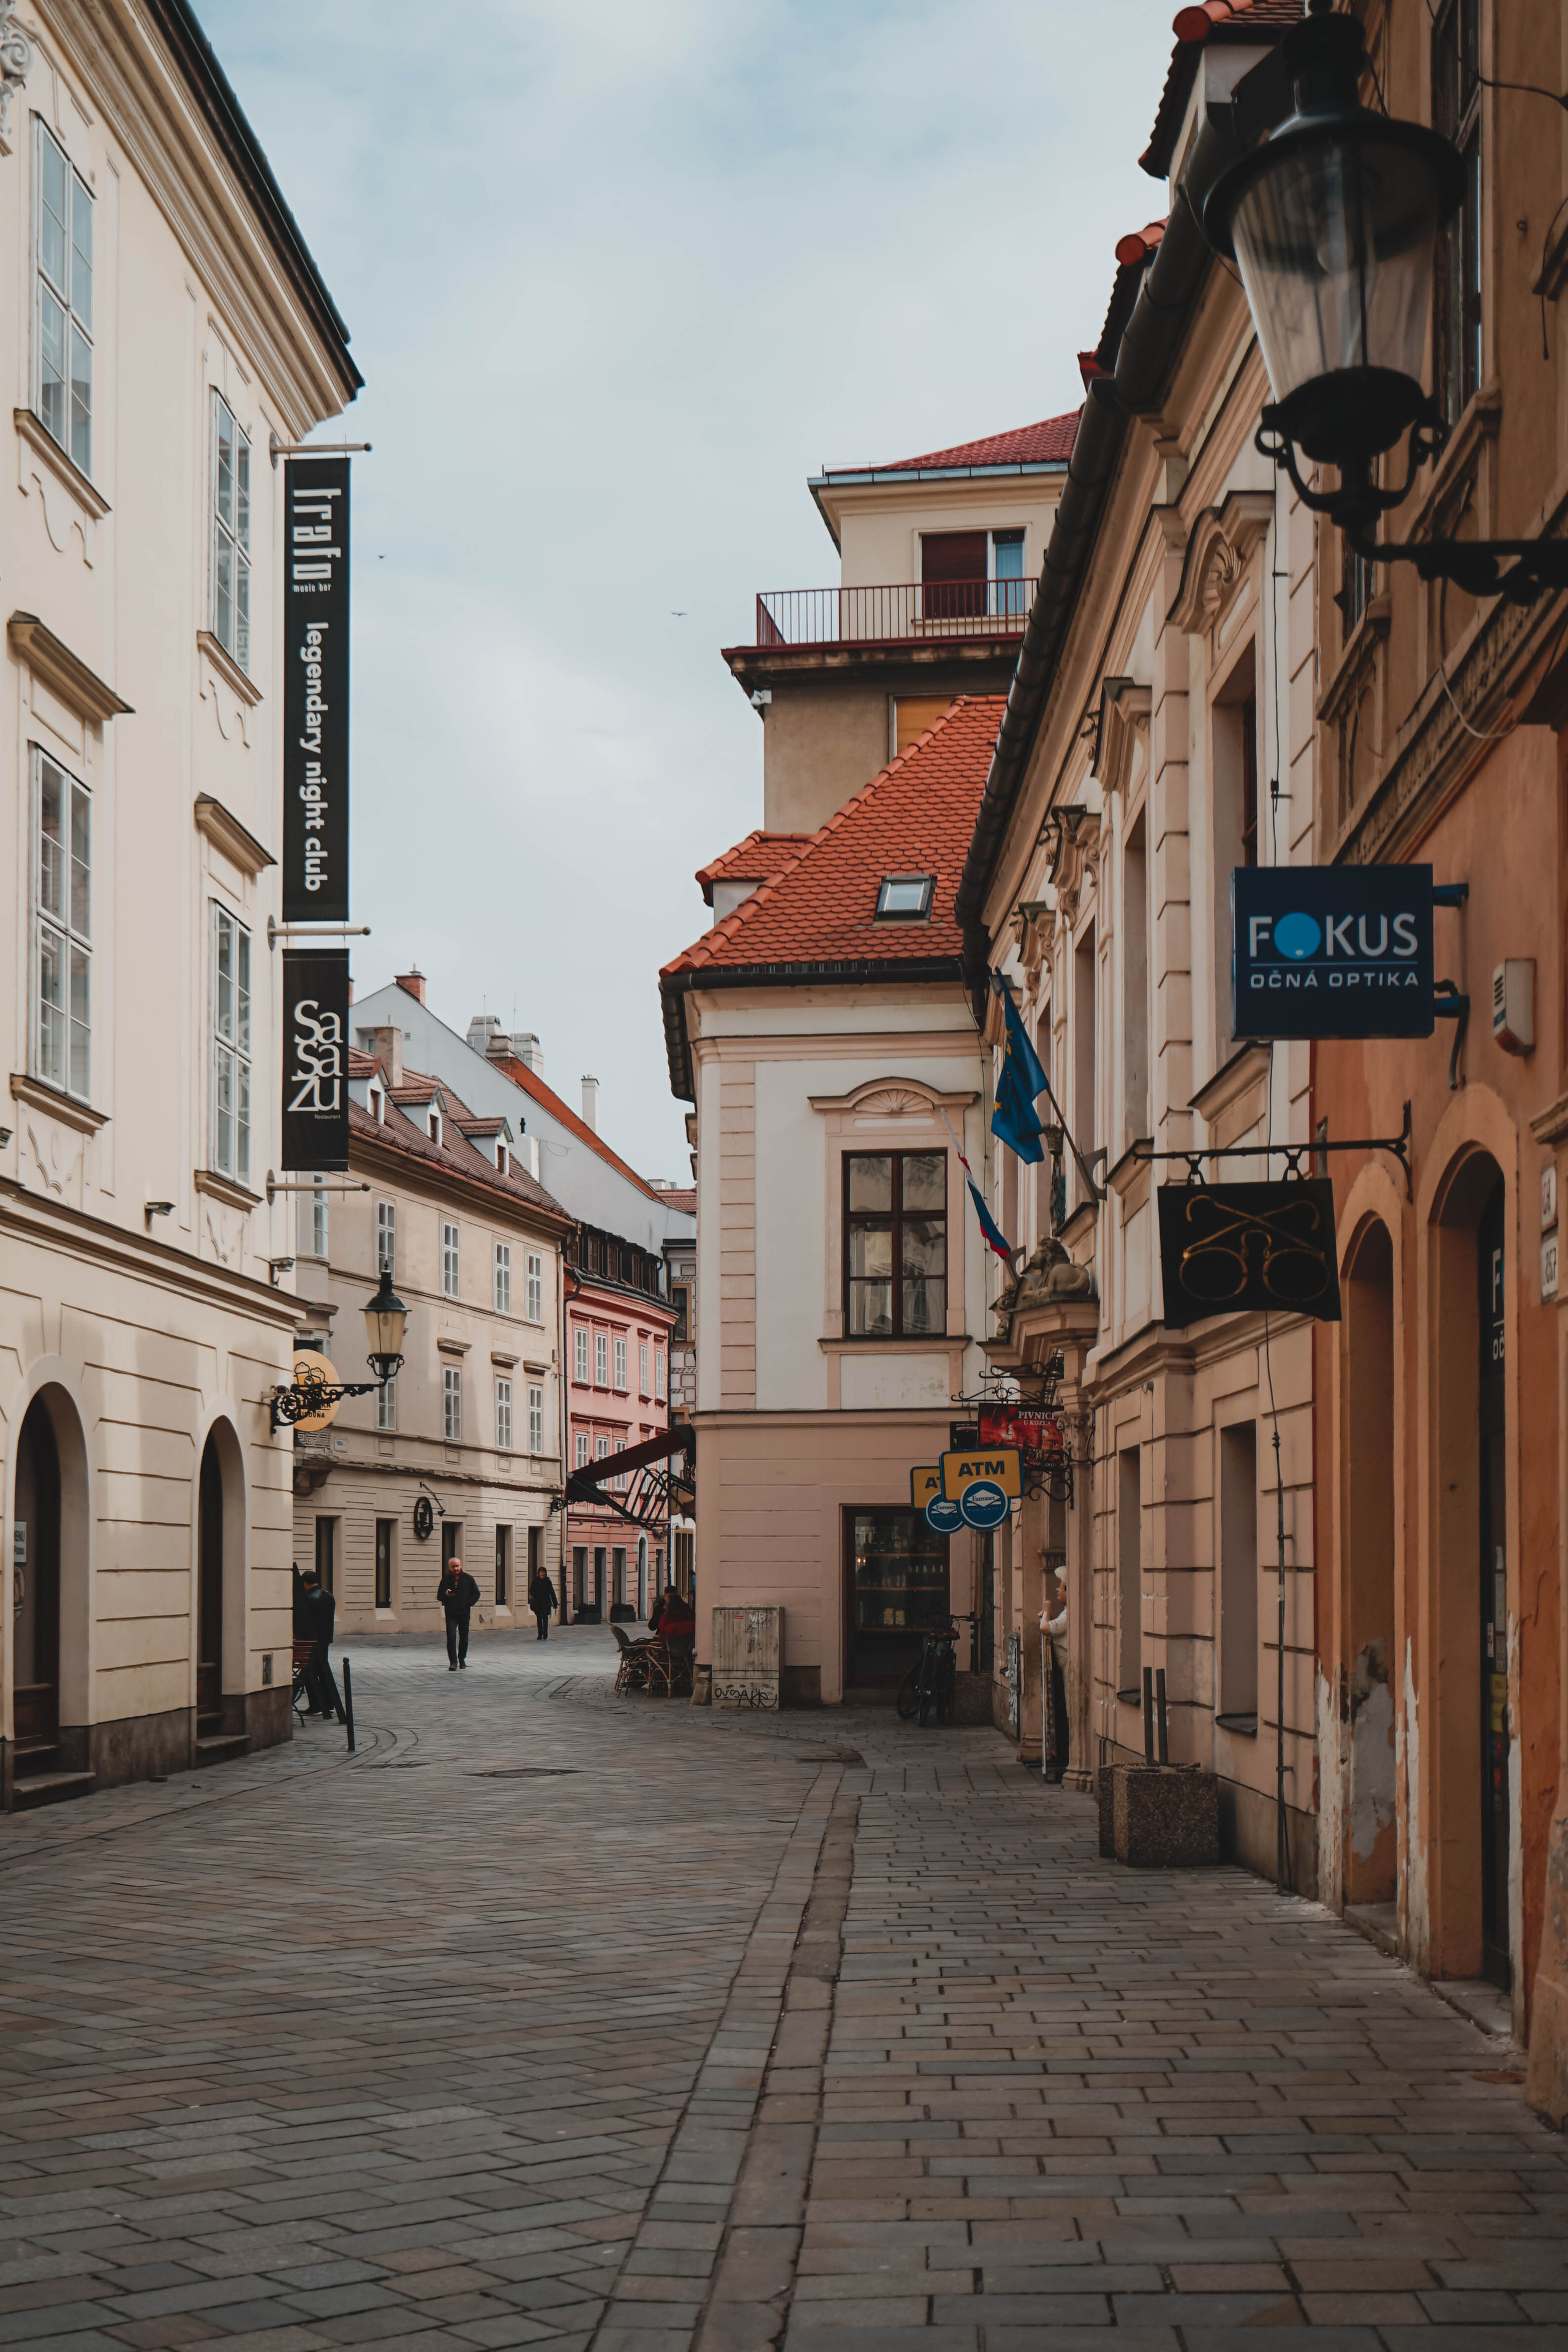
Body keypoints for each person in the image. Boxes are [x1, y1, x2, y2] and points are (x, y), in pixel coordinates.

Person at [299, 1566, 341, 1721]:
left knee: (310, 1672)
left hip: (311, 1640)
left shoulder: (308, 1598)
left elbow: (304, 1621)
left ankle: (316, 1704)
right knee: (323, 1671)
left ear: (305, 1583)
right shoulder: (328, 1596)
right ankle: (329, 1702)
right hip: (325, 1639)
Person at [438, 1556, 481, 1670]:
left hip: (464, 1613)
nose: (456, 1569)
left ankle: (462, 1658)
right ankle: (453, 1662)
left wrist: (468, 1603)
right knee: (451, 1637)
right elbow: (439, 1596)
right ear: (450, 1568)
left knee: (464, 1637)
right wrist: (446, 1594)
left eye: (457, 1566)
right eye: (453, 1567)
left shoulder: (468, 1579)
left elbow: (477, 1594)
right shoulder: (446, 1580)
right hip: (451, 1613)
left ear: (461, 1566)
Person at [527, 1563, 557, 1641]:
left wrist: (555, 1603)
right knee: (539, 1619)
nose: (542, 1573)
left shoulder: (548, 1581)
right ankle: (540, 1634)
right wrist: (535, 1594)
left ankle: (545, 1634)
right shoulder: (536, 1581)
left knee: (545, 1618)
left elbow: (552, 1592)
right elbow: (531, 1590)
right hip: (538, 1602)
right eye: (541, 1572)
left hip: (546, 1602)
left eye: (543, 1572)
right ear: (539, 1573)